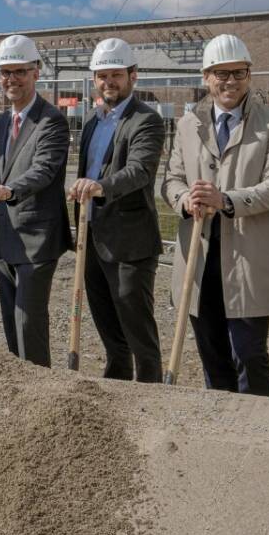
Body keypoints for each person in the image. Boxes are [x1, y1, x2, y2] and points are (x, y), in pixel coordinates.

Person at [161, 34, 269, 396]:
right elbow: (171, 179)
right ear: (206, 77)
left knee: (249, 354)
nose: (229, 81)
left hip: (248, 257)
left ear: (249, 74)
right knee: (212, 354)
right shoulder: (189, 124)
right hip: (200, 258)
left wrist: (226, 199)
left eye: (238, 72)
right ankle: (222, 430)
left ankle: (258, 429)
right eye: (221, 73)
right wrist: (185, 199)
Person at [68, 38, 166, 382]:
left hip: (130, 242)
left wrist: (100, 187)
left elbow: (139, 171)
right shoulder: (92, 123)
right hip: (93, 236)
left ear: (133, 75)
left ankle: (151, 387)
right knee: (107, 323)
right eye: (102, 75)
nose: (109, 82)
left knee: (136, 322)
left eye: (116, 75)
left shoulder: (146, 120)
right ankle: (117, 384)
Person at [0, 34, 70, 366]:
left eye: (20, 72)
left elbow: (44, 170)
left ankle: (42, 390)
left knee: (29, 323)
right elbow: (7, 166)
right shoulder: (3, 121)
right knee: (11, 325)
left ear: (36, 72)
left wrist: (9, 190)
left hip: (36, 238)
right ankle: (22, 391)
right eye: (6, 72)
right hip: (5, 235)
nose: (11, 80)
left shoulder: (51, 120)